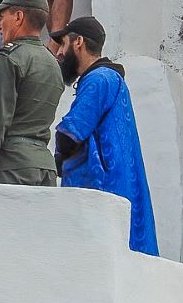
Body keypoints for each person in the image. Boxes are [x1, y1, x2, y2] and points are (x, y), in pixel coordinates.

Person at [52, 17, 159, 256]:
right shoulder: (109, 79)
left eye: (63, 44)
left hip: (101, 190)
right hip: (119, 187)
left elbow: (71, 134)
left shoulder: (98, 79)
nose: (59, 53)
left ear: (78, 42)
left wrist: (54, 162)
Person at [0, 0, 64, 185]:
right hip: (44, 167)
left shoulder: (7, 59)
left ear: (19, 17)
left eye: (1, 18)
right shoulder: (52, 62)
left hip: (11, 167)